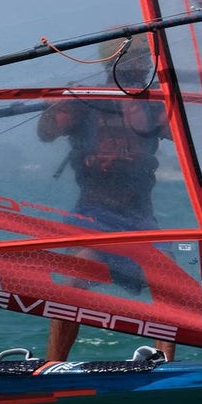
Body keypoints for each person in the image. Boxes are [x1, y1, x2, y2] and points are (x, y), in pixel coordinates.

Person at [38, 38, 176, 363]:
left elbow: (192, 137)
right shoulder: (86, 101)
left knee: (169, 280)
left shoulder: (154, 103)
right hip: (93, 215)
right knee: (76, 275)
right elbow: (46, 133)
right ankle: (54, 364)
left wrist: (174, 109)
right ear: (110, 65)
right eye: (130, 62)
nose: (138, 69)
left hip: (139, 220)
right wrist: (54, 107)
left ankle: (164, 365)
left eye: (143, 62)